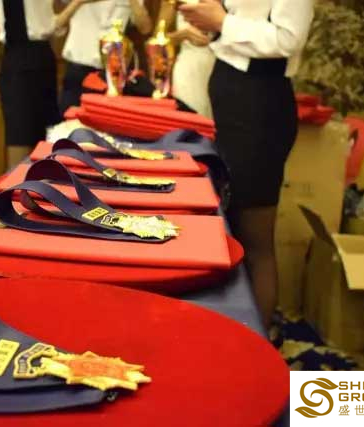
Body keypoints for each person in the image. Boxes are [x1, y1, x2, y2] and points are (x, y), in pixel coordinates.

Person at [180, 0, 314, 328]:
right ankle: (235, 333)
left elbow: (288, 39)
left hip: (259, 109)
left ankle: (258, 342)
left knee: (255, 238)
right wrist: (211, 28)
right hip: (233, 102)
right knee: (233, 229)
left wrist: (222, 22)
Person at [0, 0, 100, 167]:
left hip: (43, 56)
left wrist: (76, 4)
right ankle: (17, 183)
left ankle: (40, 182)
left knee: (46, 142)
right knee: (20, 139)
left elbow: (50, 25)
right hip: (18, 57)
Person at [58, 0, 153, 114]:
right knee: (70, 117)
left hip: (111, 73)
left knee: (105, 120)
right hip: (78, 65)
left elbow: (145, 28)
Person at [157, 0, 215, 118]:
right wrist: (184, 35)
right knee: (191, 117)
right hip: (189, 68)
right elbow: (158, 39)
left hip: (220, 67)